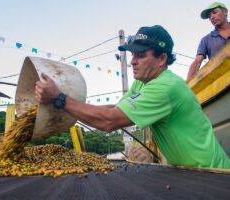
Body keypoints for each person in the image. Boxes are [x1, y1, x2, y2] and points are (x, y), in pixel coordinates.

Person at [35, 25, 230, 169]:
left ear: (162, 59)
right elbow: (115, 110)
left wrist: (60, 99)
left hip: (212, 173)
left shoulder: (165, 87)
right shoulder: (142, 81)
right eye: (131, 55)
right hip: (188, 171)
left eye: (141, 55)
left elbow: (109, 121)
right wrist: (69, 99)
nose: (133, 62)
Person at [187, 2, 230, 81]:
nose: (212, 17)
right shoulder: (206, 40)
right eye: (209, 16)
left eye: (214, 12)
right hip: (220, 83)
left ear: (225, 11)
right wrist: (187, 85)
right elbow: (197, 61)